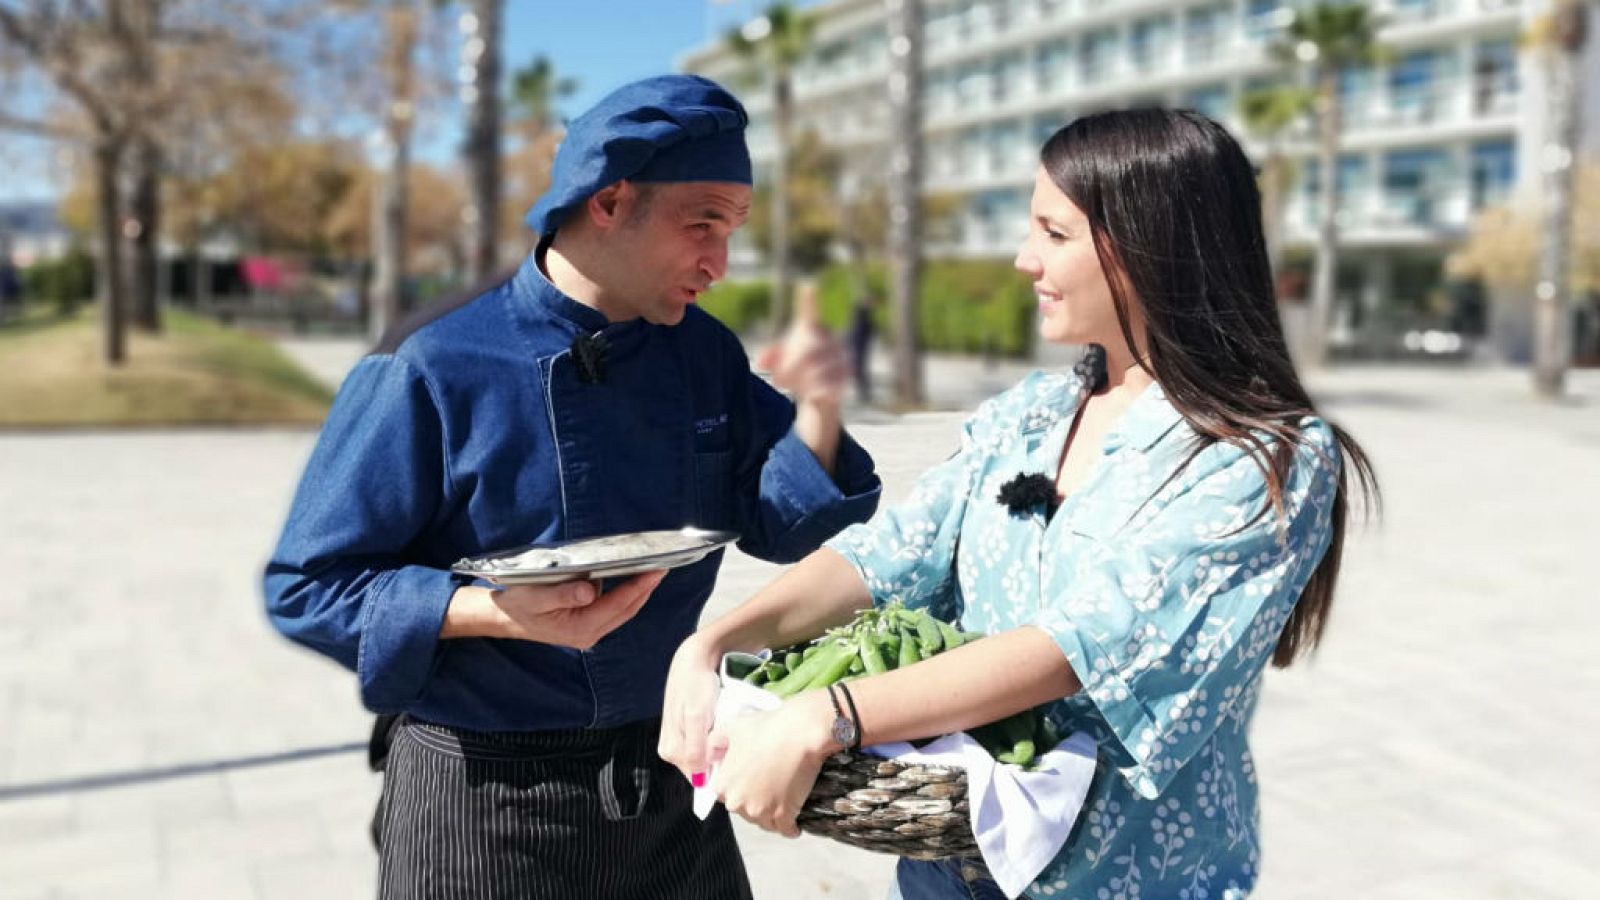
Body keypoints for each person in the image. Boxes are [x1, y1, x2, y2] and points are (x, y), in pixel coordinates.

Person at [659, 109, 1378, 899]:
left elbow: (1081, 645)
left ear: (1152, 244)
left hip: (1131, 879)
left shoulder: (1266, 458)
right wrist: (714, 644)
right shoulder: (1028, 413)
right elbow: (887, 555)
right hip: (949, 877)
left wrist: (828, 715)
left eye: (1054, 234)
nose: (1022, 259)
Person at [263, 74, 881, 899]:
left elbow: (780, 521)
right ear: (610, 200)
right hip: (481, 799)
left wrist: (822, 404)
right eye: (701, 224)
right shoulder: (434, 362)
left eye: (732, 230)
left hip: (667, 780)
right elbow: (307, 586)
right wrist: (488, 611)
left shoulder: (703, 353)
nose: (719, 262)